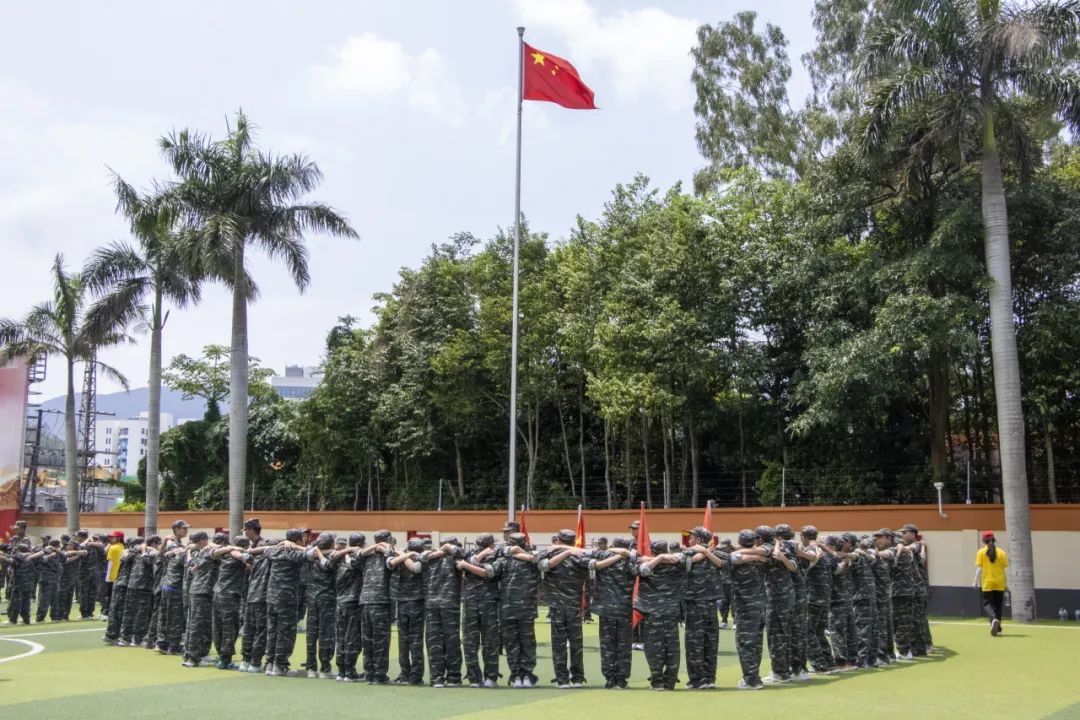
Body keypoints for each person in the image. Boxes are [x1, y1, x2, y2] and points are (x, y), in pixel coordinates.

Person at [482, 532, 540, 688]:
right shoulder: (532, 559)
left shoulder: (502, 559)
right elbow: (539, 560)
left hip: (508, 608)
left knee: (512, 644)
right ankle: (526, 675)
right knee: (527, 643)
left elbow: (489, 572)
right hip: (526, 608)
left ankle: (516, 677)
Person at [538, 529, 588, 689]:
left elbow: (537, 559)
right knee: (576, 644)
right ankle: (578, 678)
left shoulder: (550, 555)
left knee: (559, 645)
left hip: (557, 606)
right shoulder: (581, 557)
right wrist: (570, 551)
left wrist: (558, 550)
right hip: (573, 606)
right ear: (573, 542)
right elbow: (596, 556)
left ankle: (562, 679)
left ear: (558, 540)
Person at [587, 536, 635, 689]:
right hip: (624, 608)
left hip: (606, 609)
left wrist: (611, 550)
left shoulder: (603, 555)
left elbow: (585, 553)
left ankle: (609, 678)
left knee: (607, 645)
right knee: (624, 646)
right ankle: (621, 679)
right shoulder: (632, 559)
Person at [682, 526, 724, 689]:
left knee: (694, 643)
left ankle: (697, 680)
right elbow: (725, 563)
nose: (689, 540)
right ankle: (709, 678)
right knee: (710, 642)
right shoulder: (718, 553)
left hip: (695, 604)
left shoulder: (689, 553)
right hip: (712, 604)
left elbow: (675, 561)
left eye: (692, 537)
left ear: (699, 540)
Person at [458, 533, 500, 688]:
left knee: (490, 642)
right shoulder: (470, 553)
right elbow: (463, 562)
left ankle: (491, 677)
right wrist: (480, 556)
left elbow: (489, 572)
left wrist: (468, 566)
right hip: (470, 602)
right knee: (470, 642)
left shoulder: (496, 556)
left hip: (488, 602)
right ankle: (474, 678)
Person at [730, 529, 770, 689]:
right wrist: (756, 556)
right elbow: (764, 556)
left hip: (746, 607)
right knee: (756, 642)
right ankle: (754, 675)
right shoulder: (762, 557)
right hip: (760, 605)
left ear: (740, 542)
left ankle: (751, 679)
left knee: (746, 642)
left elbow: (733, 558)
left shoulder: (736, 557)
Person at [760, 525, 797, 684]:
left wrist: (777, 544)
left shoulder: (779, 549)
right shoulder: (788, 548)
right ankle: (784, 670)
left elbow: (787, 562)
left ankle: (780, 672)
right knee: (784, 634)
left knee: (776, 635)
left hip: (777, 598)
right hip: (785, 596)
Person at [358, 530, 395, 684]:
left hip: (366, 601)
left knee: (368, 640)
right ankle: (378, 675)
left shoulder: (368, 555)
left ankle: (370, 673)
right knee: (380, 640)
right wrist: (382, 546)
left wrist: (377, 546)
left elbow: (356, 556)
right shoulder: (387, 554)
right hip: (380, 602)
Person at [389, 537, 426, 685]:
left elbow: (414, 568)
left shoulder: (407, 558)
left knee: (406, 641)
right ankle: (413, 675)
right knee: (412, 641)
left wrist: (404, 555)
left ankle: (407, 674)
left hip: (407, 603)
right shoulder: (420, 558)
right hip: (413, 603)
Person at [330, 533, 365, 682]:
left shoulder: (337, 558)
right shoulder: (358, 558)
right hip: (353, 602)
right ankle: (349, 671)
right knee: (352, 638)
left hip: (340, 601)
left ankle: (341, 671)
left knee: (341, 637)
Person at [212, 535, 250, 670]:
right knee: (230, 628)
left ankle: (221, 656)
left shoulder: (224, 555)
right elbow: (249, 563)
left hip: (218, 593)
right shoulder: (239, 557)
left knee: (218, 627)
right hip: (230, 595)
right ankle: (225, 660)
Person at [303, 532, 337, 679]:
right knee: (326, 634)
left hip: (312, 598)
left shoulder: (309, 556)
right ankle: (325, 668)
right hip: (327, 599)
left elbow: (305, 550)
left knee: (311, 634)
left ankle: (311, 668)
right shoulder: (332, 557)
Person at [239, 518, 270, 673]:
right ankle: (247, 660)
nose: (245, 533)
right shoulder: (254, 546)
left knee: (259, 629)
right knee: (250, 629)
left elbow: (272, 548)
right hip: (252, 594)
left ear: (252, 530)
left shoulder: (264, 545)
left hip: (262, 594)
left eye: (246, 530)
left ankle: (254, 661)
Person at [182, 531, 215, 668]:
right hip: (201, 592)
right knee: (197, 625)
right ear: (202, 540)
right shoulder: (204, 552)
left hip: (196, 591)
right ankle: (193, 658)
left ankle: (192, 655)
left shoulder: (195, 553)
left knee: (194, 624)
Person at [974, 530, 1008, 636]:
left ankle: (993, 619)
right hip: (1000, 583)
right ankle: (997, 627)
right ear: (994, 539)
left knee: (987, 604)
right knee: (998, 606)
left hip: (987, 583)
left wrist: (975, 581)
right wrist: (1006, 584)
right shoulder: (1002, 553)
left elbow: (980, 569)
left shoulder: (981, 552)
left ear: (984, 540)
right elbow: (1004, 570)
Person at [34, 539, 65, 623]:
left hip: (50, 579)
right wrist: (53, 552)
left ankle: (46, 618)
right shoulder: (50, 552)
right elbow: (39, 559)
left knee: (49, 599)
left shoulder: (55, 553)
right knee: (49, 599)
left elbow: (64, 556)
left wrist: (54, 550)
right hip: (49, 579)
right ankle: (48, 618)